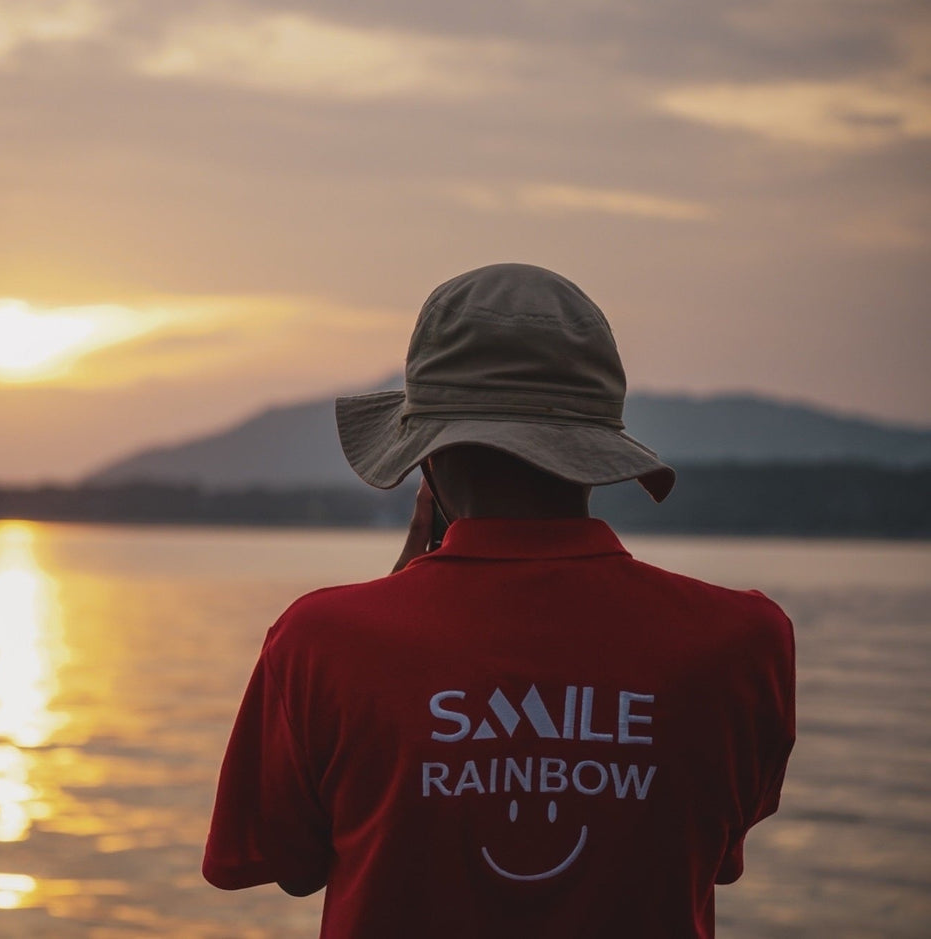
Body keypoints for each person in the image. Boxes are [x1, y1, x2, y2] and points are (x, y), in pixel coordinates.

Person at [202, 264, 796, 937]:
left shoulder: (319, 642)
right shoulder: (741, 642)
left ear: (428, 460)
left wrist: (407, 578)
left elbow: (293, 864)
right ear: (593, 455)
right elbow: (711, 859)